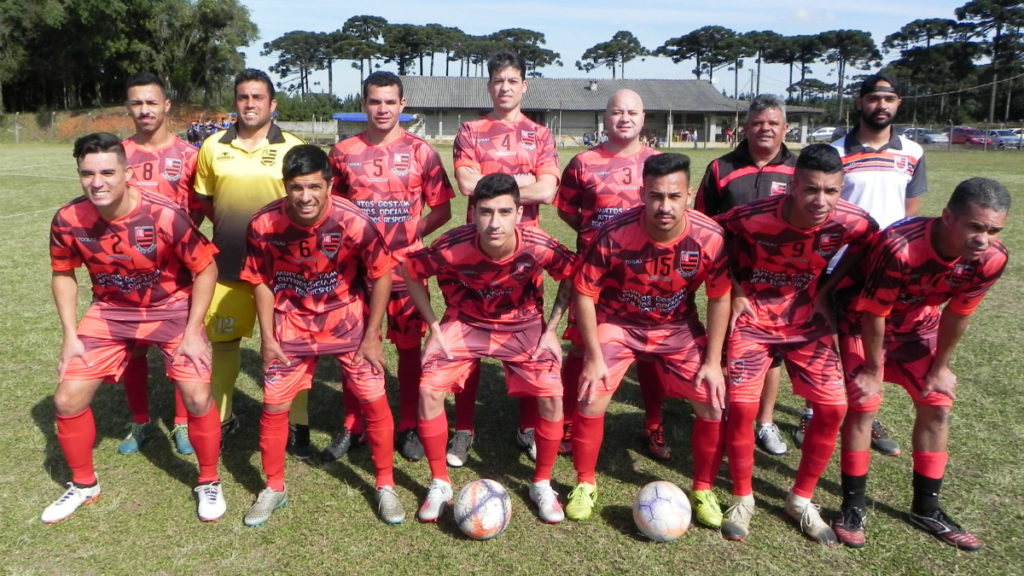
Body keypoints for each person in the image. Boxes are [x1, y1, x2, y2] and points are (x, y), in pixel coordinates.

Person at [43, 132, 224, 524]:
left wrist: (194, 331)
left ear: (127, 173)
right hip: (111, 312)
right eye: (87, 174)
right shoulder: (68, 219)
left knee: (196, 397)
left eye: (107, 172)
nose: (97, 182)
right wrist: (70, 336)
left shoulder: (164, 214)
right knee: (67, 399)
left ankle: (209, 480)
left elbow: (206, 268)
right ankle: (84, 484)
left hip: (171, 308)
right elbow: (63, 274)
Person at [831, 178, 1009, 550]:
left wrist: (941, 367)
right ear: (947, 217)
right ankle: (852, 506)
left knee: (937, 405)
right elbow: (874, 312)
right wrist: (873, 371)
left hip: (917, 325)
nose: (983, 239)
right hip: (864, 322)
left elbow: (958, 314)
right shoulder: (900, 246)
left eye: (993, 231)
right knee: (864, 404)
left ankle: (926, 508)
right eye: (975, 227)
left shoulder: (992, 259)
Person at [716, 144, 877, 544]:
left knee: (833, 407)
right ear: (792, 186)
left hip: (807, 320)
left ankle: (800, 498)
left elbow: (867, 241)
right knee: (742, 407)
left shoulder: (852, 220)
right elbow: (713, 238)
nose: (821, 200)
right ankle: (742, 497)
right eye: (811, 189)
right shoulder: (751, 216)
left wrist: (828, 288)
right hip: (754, 319)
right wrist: (736, 290)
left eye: (831, 191)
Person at [239, 145, 403, 526]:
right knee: (274, 404)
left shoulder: (354, 221)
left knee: (373, 397)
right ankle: (274, 487)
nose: (305, 196)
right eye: (296, 187)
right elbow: (259, 279)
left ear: (329, 185)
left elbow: (382, 273)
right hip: (292, 321)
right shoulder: (263, 224)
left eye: (314, 186)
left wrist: (373, 335)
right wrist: (267, 337)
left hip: (346, 320)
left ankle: (385, 484)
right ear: (285, 186)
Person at [564, 153, 730, 527]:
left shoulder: (710, 237)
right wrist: (594, 356)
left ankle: (703, 488)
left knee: (713, 401)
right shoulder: (614, 233)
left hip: (677, 326)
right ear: (642, 194)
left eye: (674, 196)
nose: (664, 206)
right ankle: (584, 483)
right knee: (591, 393)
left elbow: (720, 297)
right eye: (656, 196)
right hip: (620, 323)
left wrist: (712, 361)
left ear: (689, 195)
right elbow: (585, 293)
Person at [401, 173, 575, 524]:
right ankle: (440, 483)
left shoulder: (538, 244)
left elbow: (572, 273)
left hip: (522, 324)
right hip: (465, 321)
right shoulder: (453, 244)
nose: (495, 223)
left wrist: (551, 330)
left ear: (519, 212)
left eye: (504, 212)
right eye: (486, 212)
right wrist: (434, 328)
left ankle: (541, 484)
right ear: (473, 212)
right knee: (429, 388)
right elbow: (411, 269)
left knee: (552, 394)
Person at [324, 71, 454, 463]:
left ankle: (408, 424)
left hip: (406, 271)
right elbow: (333, 209)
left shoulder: (421, 152)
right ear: (363, 104)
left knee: (409, 349)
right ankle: (353, 424)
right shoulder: (342, 152)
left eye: (389, 101)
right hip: (356, 273)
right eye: (374, 101)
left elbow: (442, 209)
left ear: (402, 105)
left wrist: (410, 232)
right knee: (354, 346)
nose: (382, 109)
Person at [448, 51, 561, 467]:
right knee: (467, 339)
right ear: (489, 86)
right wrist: (522, 181)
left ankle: (528, 425)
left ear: (524, 86)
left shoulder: (540, 135)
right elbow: (467, 185)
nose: (505, 87)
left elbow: (547, 190)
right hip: (476, 253)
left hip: (526, 254)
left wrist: (493, 184)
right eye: (498, 80)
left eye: (513, 80)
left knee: (527, 339)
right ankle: (464, 429)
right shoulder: (471, 131)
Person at [193, 69, 308, 454]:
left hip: (284, 270)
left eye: (258, 97)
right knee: (224, 344)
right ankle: (223, 418)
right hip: (229, 264)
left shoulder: (294, 147)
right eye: (243, 97)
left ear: (273, 104)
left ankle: (298, 424)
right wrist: (236, 229)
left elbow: (309, 202)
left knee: (291, 348)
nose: (250, 104)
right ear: (235, 103)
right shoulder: (212, 146)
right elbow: (205, 199)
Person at [554, 89, 668, 459]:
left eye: (632, 112)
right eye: (617, 112)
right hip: (594, 274)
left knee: (648, 352)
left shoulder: (658, 163)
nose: (624, 118)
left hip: (644, 275)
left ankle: (654, 424)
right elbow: (567, 210)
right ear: (605, 118)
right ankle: (568, 421)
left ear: (643, 118)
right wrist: (596, 237)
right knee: (580, 347)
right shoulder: (583, 162)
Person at [825, 72, 926, 457]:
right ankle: (813, 409)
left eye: (889, 98)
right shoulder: (836, 151)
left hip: (890, 268)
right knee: (827, 341)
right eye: (873, 98)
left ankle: (867, 413)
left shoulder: (913, 152)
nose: (880, 105)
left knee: (872, 343)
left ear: (898, 103)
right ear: (860, 102)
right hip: (840, 263)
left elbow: (910, 214)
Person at [696, 94, 797, 457]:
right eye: (757, 123)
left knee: (772, 356)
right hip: (731, 280)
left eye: (772, 123)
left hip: (780, 284)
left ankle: (765, 422)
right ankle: (728, 416)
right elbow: (704, 224)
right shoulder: (720, 168)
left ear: (785, 128)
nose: (765, 129)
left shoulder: (798, 171)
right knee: (726, 349)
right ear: (745, 127)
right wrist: (729, 281)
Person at [116, 72, 201, 457]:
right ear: (128, 107)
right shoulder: (118, 154)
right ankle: (140, 420)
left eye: (152, 102)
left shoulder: (189, 155)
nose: (145, 110)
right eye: (137, 103)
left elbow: (198, 209)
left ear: (167, 105)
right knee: (134, 352)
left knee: (179, 349)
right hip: (127, 274)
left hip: (175, 273)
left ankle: (181, 422)